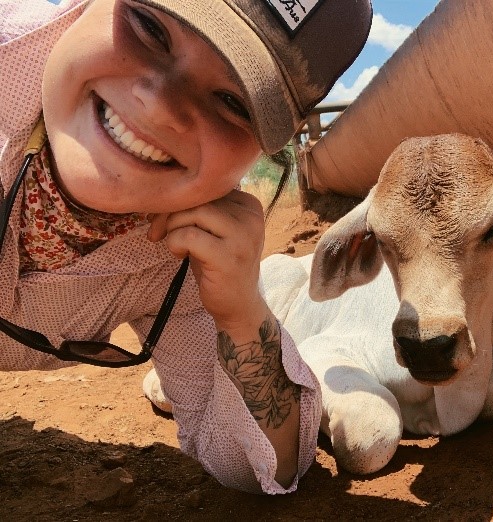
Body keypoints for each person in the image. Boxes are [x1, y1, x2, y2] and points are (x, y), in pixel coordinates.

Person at [0, 0, 372, 494]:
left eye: (234, 103)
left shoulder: (185, 255)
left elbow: (263, 466)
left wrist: (241, 314)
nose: (158, 105)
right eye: (149, 27)